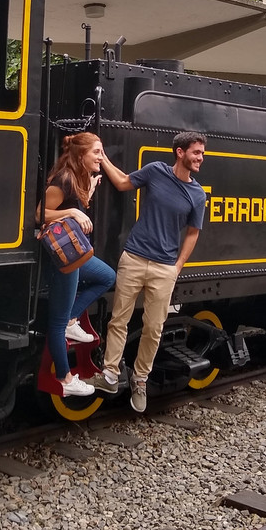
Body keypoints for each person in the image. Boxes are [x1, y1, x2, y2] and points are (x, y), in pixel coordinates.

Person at [86, 131, 208, 412]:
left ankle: (140, 380)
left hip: (165, 268)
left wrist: (177, 266)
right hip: (134, 258)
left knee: (153, 328)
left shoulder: (197, 194)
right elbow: (122, 182)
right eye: (196, 152)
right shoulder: (155, 171)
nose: (201, 158)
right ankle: (111, 374)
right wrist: (101, 157)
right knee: (119, 320)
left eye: (202, 153)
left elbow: (193, 233)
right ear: (180, 152)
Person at [38, 133, 117, 398]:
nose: (100, 157)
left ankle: (74, 317)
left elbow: (72, 204)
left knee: (106, 276)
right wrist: (72, 212)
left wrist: (88, 193)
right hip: (64, 256)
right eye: (96, 152)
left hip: (74, 254)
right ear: (80, 155)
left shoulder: (77, 178)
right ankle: (65, 377)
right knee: (57, 323)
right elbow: (39, 214)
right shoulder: (63, 179)